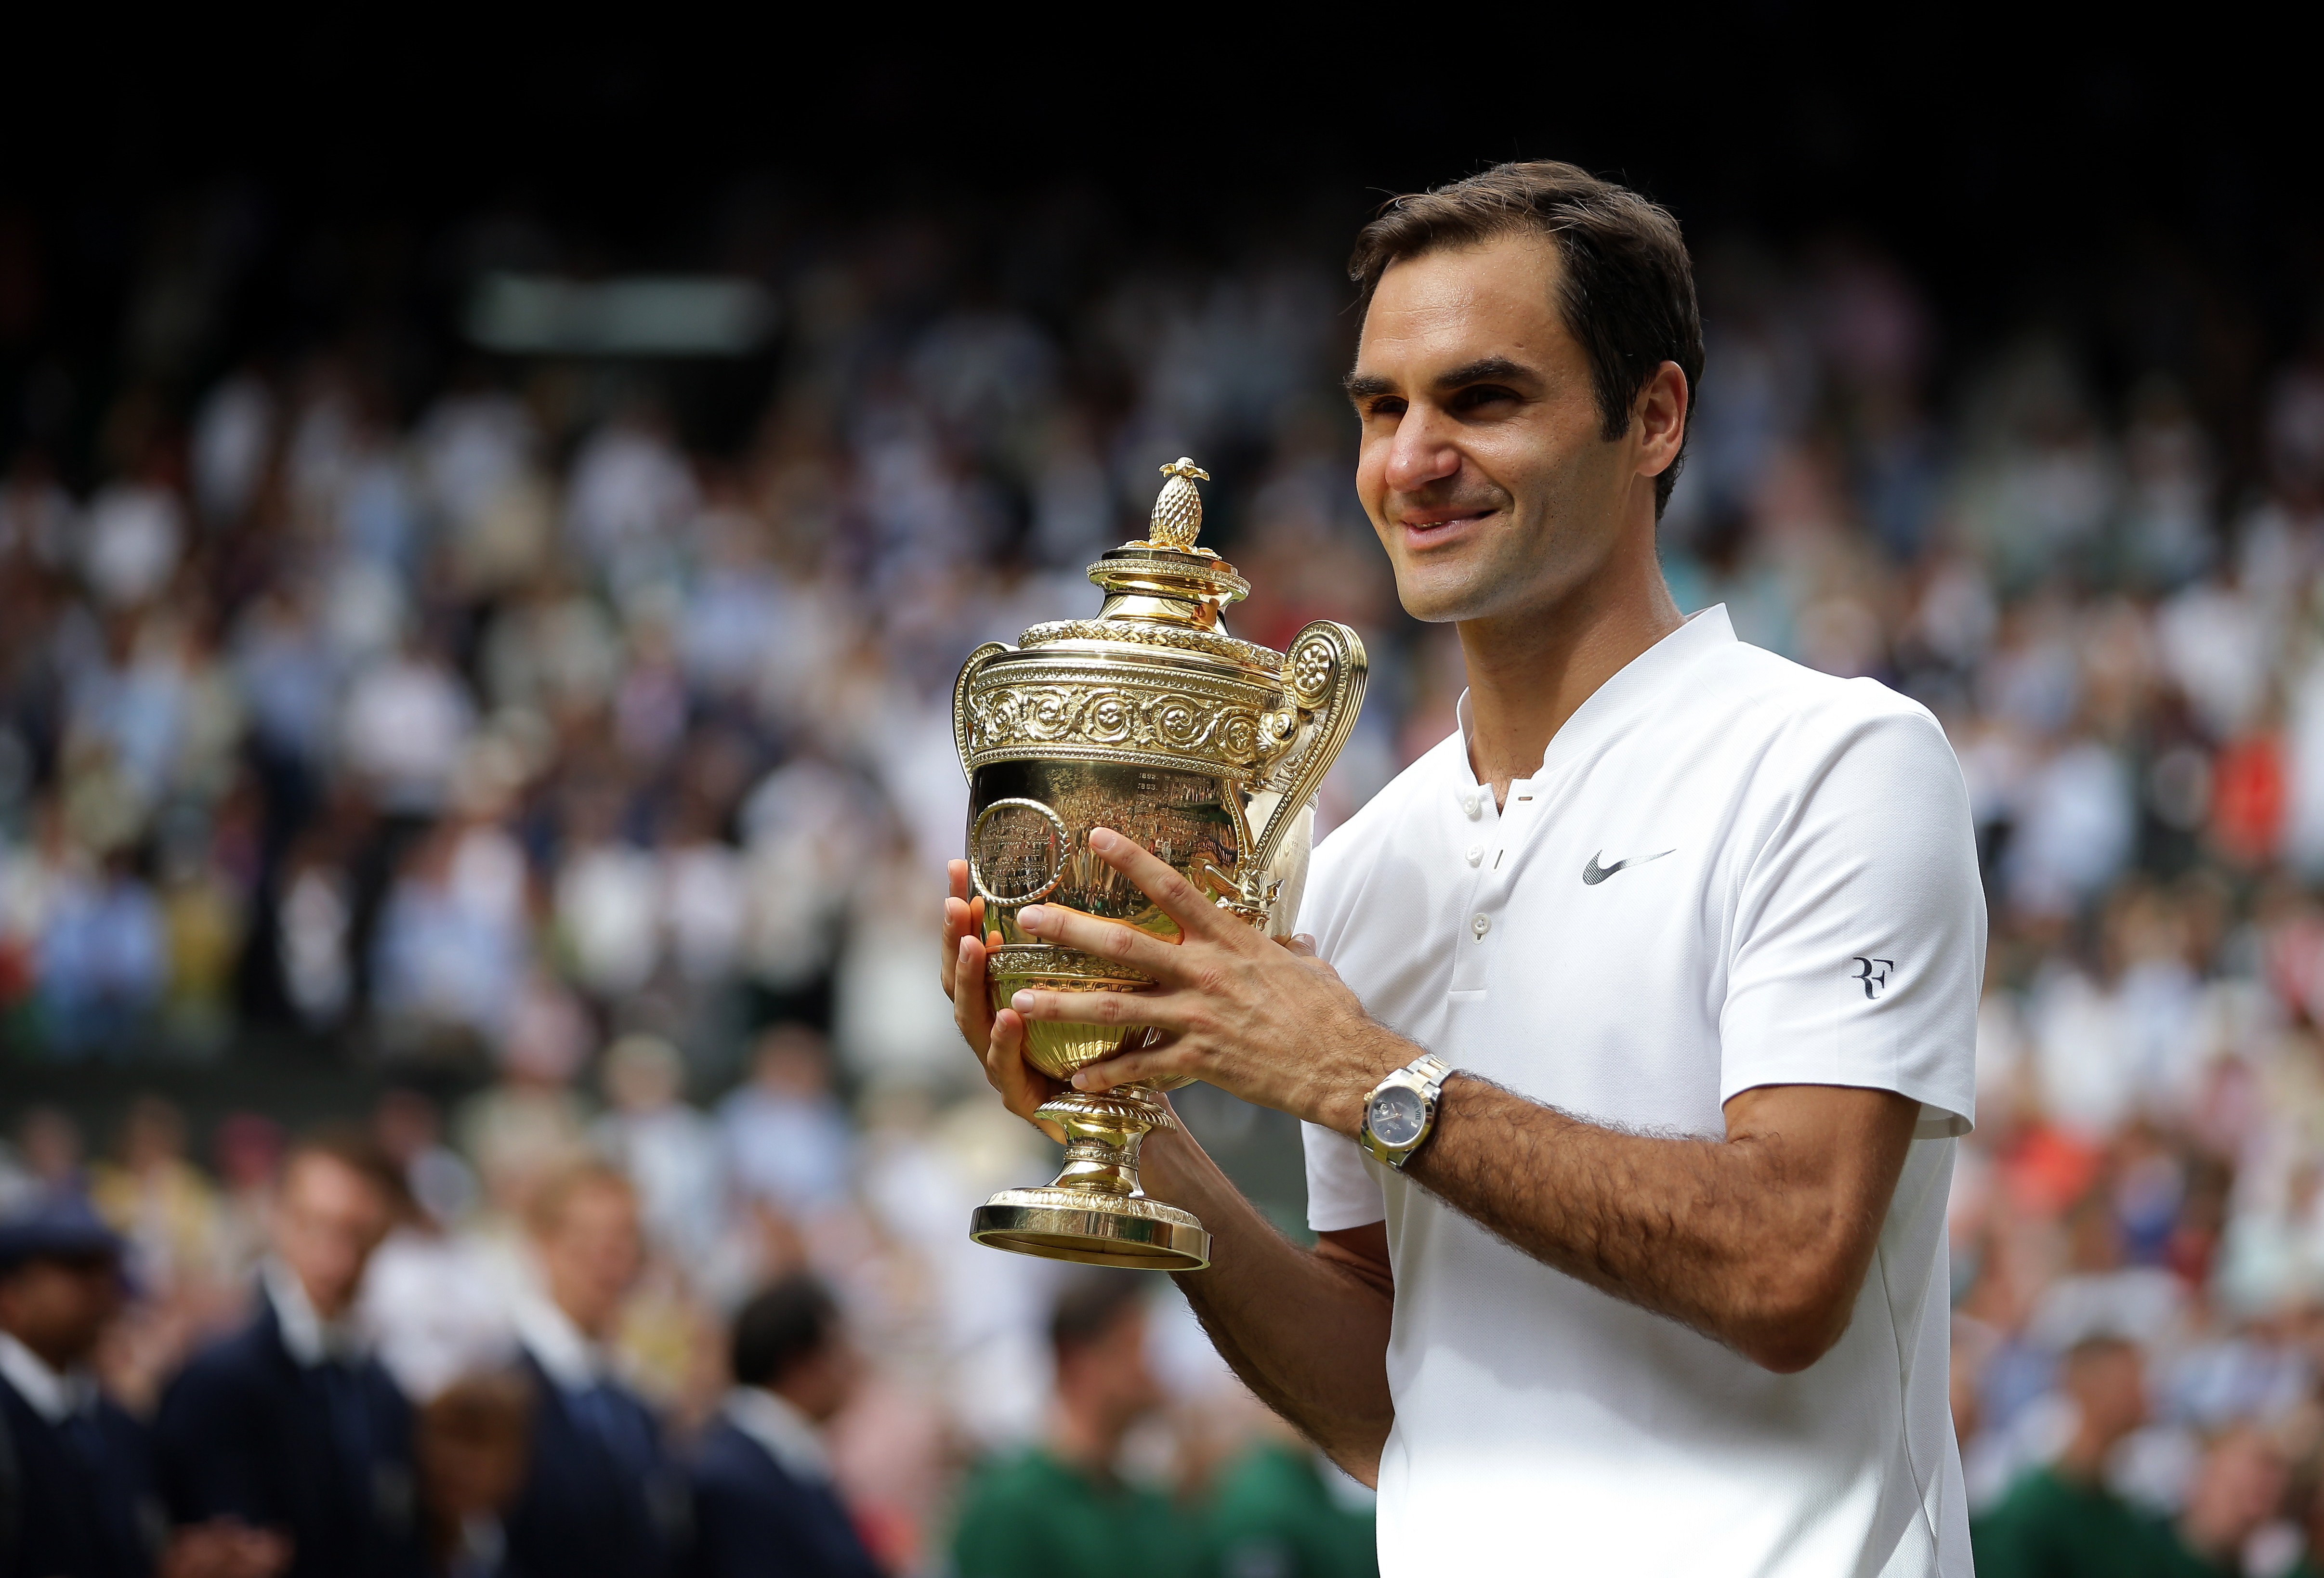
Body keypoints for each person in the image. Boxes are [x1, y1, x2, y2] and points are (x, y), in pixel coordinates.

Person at [946, 161, 1984, 1575]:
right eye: (1382, 409)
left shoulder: (1836, 762)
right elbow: (1391, 1407)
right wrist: (1138, 1137)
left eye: (1483, 400)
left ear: (1655, 419)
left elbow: (1789, 1262)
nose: (1413, 458)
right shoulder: (1362, 863)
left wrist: (1369, 1080)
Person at [153, 1127, 423, 1577]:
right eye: (313, 1224)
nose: (335, 1255)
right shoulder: (222, 1375)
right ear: (277, 1216)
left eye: (357, 1233)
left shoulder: (379, 1385)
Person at [951, 1277, 1204, 1578]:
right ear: (1077, 1362)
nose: (1150, 1365)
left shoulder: (1151, 1506)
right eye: (1132, 1346)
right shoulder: (1011, 1508)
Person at [503, 1161, 683, 1578]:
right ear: (543, 1245)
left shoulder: (632, 1402)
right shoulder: (508, 1388)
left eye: (623, 1240)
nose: (607, 1259)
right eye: (587, 1239)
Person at [684, 1273, 880, 1578]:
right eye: (837, 1348)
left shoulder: (784, 1462)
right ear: (798, 1364)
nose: (852, 1363)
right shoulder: (733, 1482)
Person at [1969, 1336, 2183, 1576]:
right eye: (2128, 1384)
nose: (2144, 1396)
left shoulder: (2123, 1517)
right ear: (2085, 1388)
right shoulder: (2031, 1512)